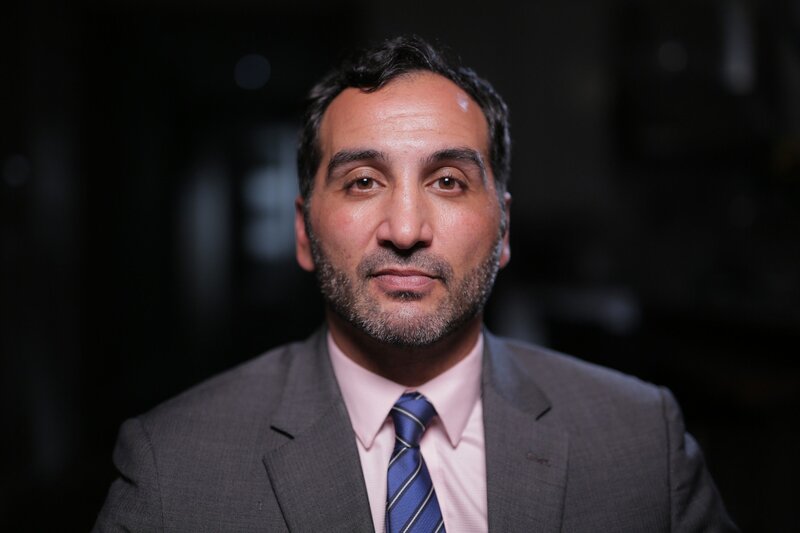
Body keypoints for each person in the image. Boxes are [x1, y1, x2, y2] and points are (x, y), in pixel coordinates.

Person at [94, 35, 737, 532]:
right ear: (303, 233)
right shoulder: (172, 468)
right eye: (363, 182)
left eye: (448, 182)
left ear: (504, 230)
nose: (405, 229)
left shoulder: (641, 441)